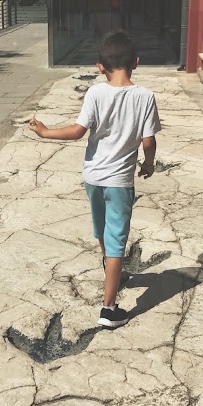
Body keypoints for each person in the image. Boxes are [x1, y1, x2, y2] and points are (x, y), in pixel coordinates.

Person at [29, 31, 161, 328]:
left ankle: (108, 268)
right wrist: (149, 164)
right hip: (120, 181)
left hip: (93, 177)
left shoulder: (95, 93)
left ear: (100, 66)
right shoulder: (145, 97)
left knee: (102, 230)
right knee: (117, 242)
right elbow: (148, 141)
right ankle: (109, 308)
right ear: (136, 63)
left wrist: (45, 131)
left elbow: (78, 131)